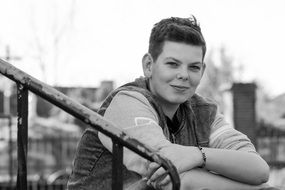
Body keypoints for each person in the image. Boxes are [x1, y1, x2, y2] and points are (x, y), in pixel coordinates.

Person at [67, 15, 272, 190]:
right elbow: (176, 179)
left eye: (193, 67)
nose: (183, 75)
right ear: (149, 65)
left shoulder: (203, 114)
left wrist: (197, 155)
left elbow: (259, 169)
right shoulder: (127, 102)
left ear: (202, 70)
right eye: (172, 64)